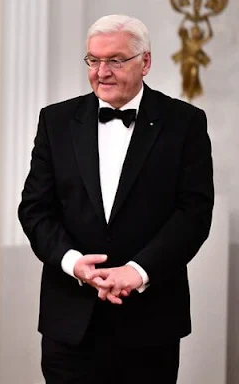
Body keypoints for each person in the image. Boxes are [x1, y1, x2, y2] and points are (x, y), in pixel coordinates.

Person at [18, 14, 213, 384]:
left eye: (115, 60)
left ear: (146, 63)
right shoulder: (56, 121)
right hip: (70, 324)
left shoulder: (185, 122)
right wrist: (74, 263)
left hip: (150, 324)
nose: (101, 72)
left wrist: (137, 272)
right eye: (93, 60)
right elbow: (35, 209)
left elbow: (194, 214)